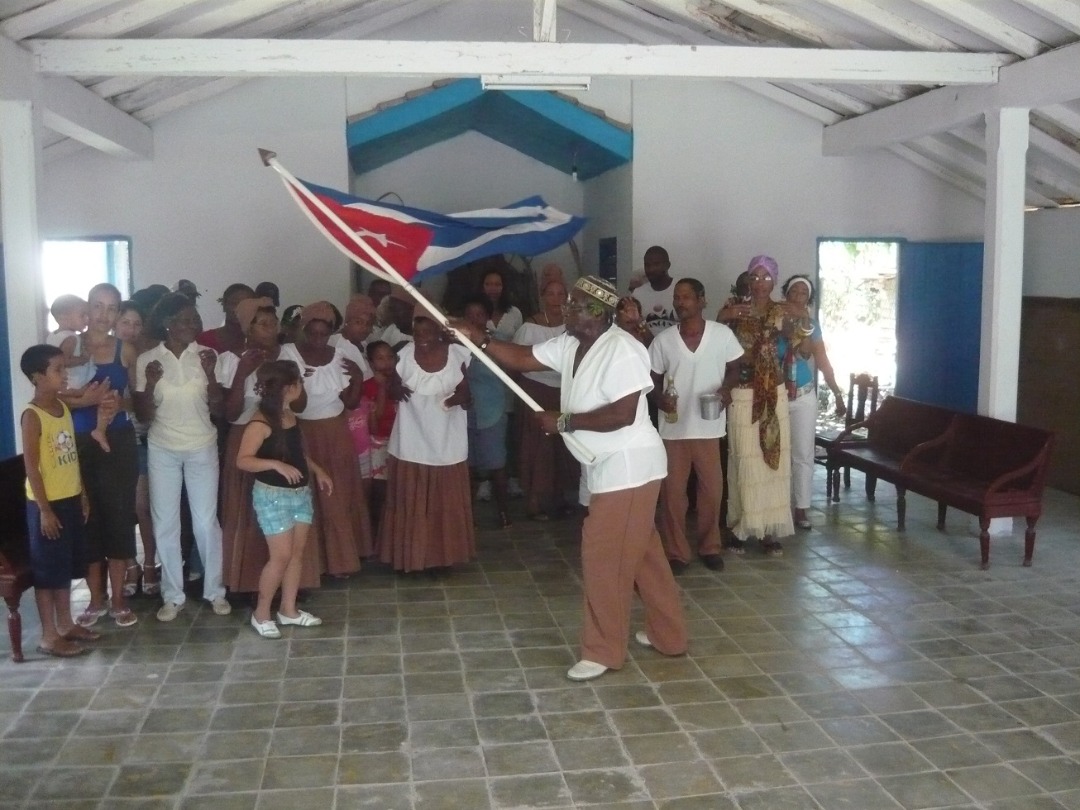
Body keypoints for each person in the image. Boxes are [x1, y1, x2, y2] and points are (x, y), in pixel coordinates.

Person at [453, 276, 688, 682]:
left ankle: (602, 650)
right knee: (644, 556)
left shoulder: (624, 349)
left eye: (575, 304)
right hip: (609, 467)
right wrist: (479, 338)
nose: (566, 309)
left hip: (628, 466)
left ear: (598, 312)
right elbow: (525, 357)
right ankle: (669, 636)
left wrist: (563, 421)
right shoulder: (572, 343)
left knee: (603, 557)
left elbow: (622, 414)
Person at [134, 293, 232, 621]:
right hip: (162, 449)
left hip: (202, 446)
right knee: (165, 523)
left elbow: (218, 408)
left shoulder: (207, 355)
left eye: (196, 320)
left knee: (206, 522)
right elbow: (144, 415)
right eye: (188, 320)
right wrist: (149, 383)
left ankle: (215, 591)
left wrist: (212, 374)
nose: (195, 325)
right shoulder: (148, 358)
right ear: (168, 324)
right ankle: (172, 595)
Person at [217, 297, 323, 596]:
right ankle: (249, 582)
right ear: (246, 328)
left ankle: (291, 591)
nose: (271, 329)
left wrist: (290, 377)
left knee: (291, 518)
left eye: (274, 323)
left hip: (283, 439)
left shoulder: (288, 354)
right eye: (262, 324)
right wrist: (243, 371)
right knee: (249, 514)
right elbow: (231, 413)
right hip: (248, 438)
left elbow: (300, 404)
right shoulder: (231, 358)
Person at [649, 279, 744, 573]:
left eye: (687, 297)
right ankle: (677, 551)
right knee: (673, 494)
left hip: (708, 427)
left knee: (712, 491)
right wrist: (658, 398)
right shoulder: (664, 340)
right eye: (677, 297)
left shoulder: (722, 335)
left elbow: (736, 367)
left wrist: (727, 389)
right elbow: (649, 378)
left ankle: (710, 546)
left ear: (702, 300)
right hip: (674, 429)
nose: (680, 302)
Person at [236, 360, 332, 638]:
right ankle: (261, 612)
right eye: (299, 382)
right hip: (273, 496)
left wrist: (318, 471)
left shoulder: (289, 415)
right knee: (280, 556)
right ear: (289, 388)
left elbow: (296, 453)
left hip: (300, 494)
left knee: (296, 554)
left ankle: (288, 609)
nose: (301, 387)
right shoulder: (260, 422)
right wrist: (274, 465)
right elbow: (243, 460)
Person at [280, 301, 372, 577]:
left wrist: (356, 379)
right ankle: (312, 563)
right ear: (303, 329)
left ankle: (339, 560)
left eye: (324, 333)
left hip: (335, 432)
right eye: (313, 333)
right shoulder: (288, 354)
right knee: (306, 496)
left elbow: (351, 403)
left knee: (337, 494)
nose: (318, 340)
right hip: (301, 432)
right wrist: (300, 381)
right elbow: (292, 404)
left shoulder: (340, 355)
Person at [378, 314, 474, 575]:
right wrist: (394, 391)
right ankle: (411, 558)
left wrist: (455, 400)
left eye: (427, 332)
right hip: (411, 440)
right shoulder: (404, 355)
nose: (421, 338)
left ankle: (441, 560)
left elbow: (467, 395)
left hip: (447, 441)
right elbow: (392, 387)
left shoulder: (457, 354)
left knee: (444, 503)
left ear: (440, 331)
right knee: (412, 501)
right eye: (417, 332)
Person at [68, 283, 139, 629]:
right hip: (80, 442)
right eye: (98, 306)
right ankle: (96, 599)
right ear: (88, 307)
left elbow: (135, 401)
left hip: (118, 441)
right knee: (88, 517)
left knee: (118, 516)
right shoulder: (70, 346)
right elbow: (56, 397)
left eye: (112, 309)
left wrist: (116, 403)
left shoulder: (125, 349)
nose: (104, 315)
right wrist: (86, 402)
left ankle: (119, 599)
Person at [20, 345, 98, 657]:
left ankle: (66, 624)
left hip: (69, 499)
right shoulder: (33, 415)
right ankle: (49, 636)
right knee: (47, 573)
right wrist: (44, 510)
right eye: (57, 370)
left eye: (64, 368)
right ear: (37, 377)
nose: (64, 374)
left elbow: (71, 458)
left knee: (64, 567)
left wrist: (82, 493)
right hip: (46, 506)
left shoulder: (61, 407)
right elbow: (32, 467)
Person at [717, 256, 796, 556]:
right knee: (744, 457)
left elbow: (795, 344)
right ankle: (741, 527)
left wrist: (793, 321)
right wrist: (726, 315)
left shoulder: (782, 310)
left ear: (775, 281)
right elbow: (718, 337)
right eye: (755, 277)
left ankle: (769, 529)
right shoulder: (736, 309)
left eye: (766, 277)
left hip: (773, 391)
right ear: (748, 280)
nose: (761, 282)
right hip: (743, 390)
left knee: (772, 459)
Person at [781, 275, 846, 530]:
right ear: (786, 294)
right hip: (776, 392)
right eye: (794, 291)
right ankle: (779, 507)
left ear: (809, 299)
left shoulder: (812, 324)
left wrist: (837, 393)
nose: (798, 296)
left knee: (803, 454)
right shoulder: (774, 317)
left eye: (803, 293)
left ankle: (801, 509)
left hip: (804, 393)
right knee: (778, 453)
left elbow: (814, 356)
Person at [512, 277, 577, 521]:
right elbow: (516, 359)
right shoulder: (530, 326)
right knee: (537, 446)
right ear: (542, 297)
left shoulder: (573, 326)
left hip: (564, 390)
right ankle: (534, 501)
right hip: (536, 389)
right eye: (551, 294)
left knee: (561, 445)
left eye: (561, 294)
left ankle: (558, 498)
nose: (556, 299)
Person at [114, 301, 158, 597]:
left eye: (137, 324)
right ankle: (130, 565)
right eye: (125, 323)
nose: (131, 329)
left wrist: (124, 402)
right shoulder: (102, 356)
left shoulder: (146, 359)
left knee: (143, 506)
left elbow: (145, 406)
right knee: (119, 508)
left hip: (141, 438)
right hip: (111, 439)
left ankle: (151, 564)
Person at [463, 297, 511, 529]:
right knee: (468, 465)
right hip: (463, 411)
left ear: (488, 318)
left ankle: (503, 512)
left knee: (496, 463)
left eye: (479, 315)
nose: (474, 320)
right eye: (469, 315)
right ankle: (466, 515)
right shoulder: (456, 345)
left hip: (492, 409)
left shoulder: (498, 344)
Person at [49, 294, 110, 453]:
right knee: (105, 394)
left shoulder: (52, 336)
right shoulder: (71, 338)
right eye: (82, 315)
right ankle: (100, 429)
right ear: (63, 318)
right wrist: (82, 359)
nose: (86, 319)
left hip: (64, 383)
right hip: (75, 380)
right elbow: (64, 360)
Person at [362, 340, 398, 531]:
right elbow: (373, 426)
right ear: (371, 362)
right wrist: (383, 389)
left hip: (400, 442)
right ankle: (376, 532)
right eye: (380, 358)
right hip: (377, 443)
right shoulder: (367, 388)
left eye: (390, 357)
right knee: (379, 491)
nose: (387, 362)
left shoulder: (402, 384)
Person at [629, 246, 677, 336]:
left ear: (667, 265)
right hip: (647, 348)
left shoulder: (680, 289)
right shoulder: (637, 294)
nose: (651, 269)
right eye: (647, 265)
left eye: (656, 264)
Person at [197, 283, 256, 355]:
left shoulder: (262, 342)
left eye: (247, 305)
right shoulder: (203, 341)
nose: (240, 309)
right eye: (235, 303)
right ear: (224, 305)